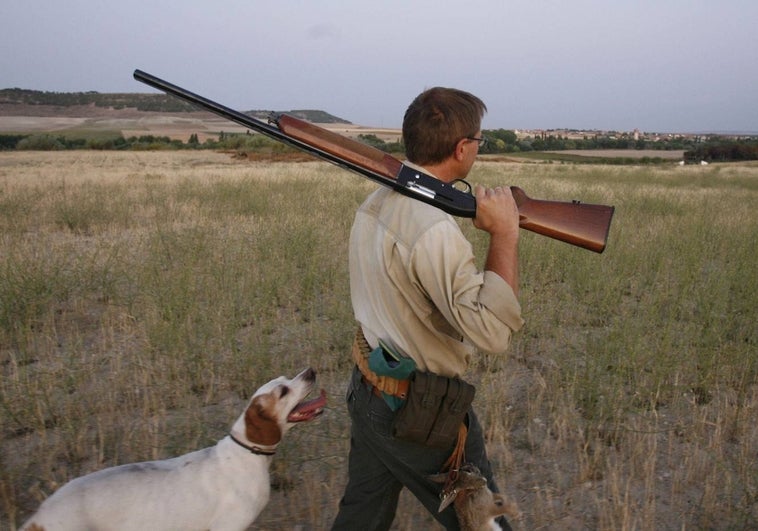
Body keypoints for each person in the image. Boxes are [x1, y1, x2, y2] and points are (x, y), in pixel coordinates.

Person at [331, 87, 524, 530]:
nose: (477, 148)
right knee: (486, 526)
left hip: (369, 390)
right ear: (462, 149)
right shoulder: (434, 229)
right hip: (420, 413)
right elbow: (493, 333)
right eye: (479, 141)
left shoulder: (377, 199)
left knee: (360, 518)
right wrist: (506, 234)